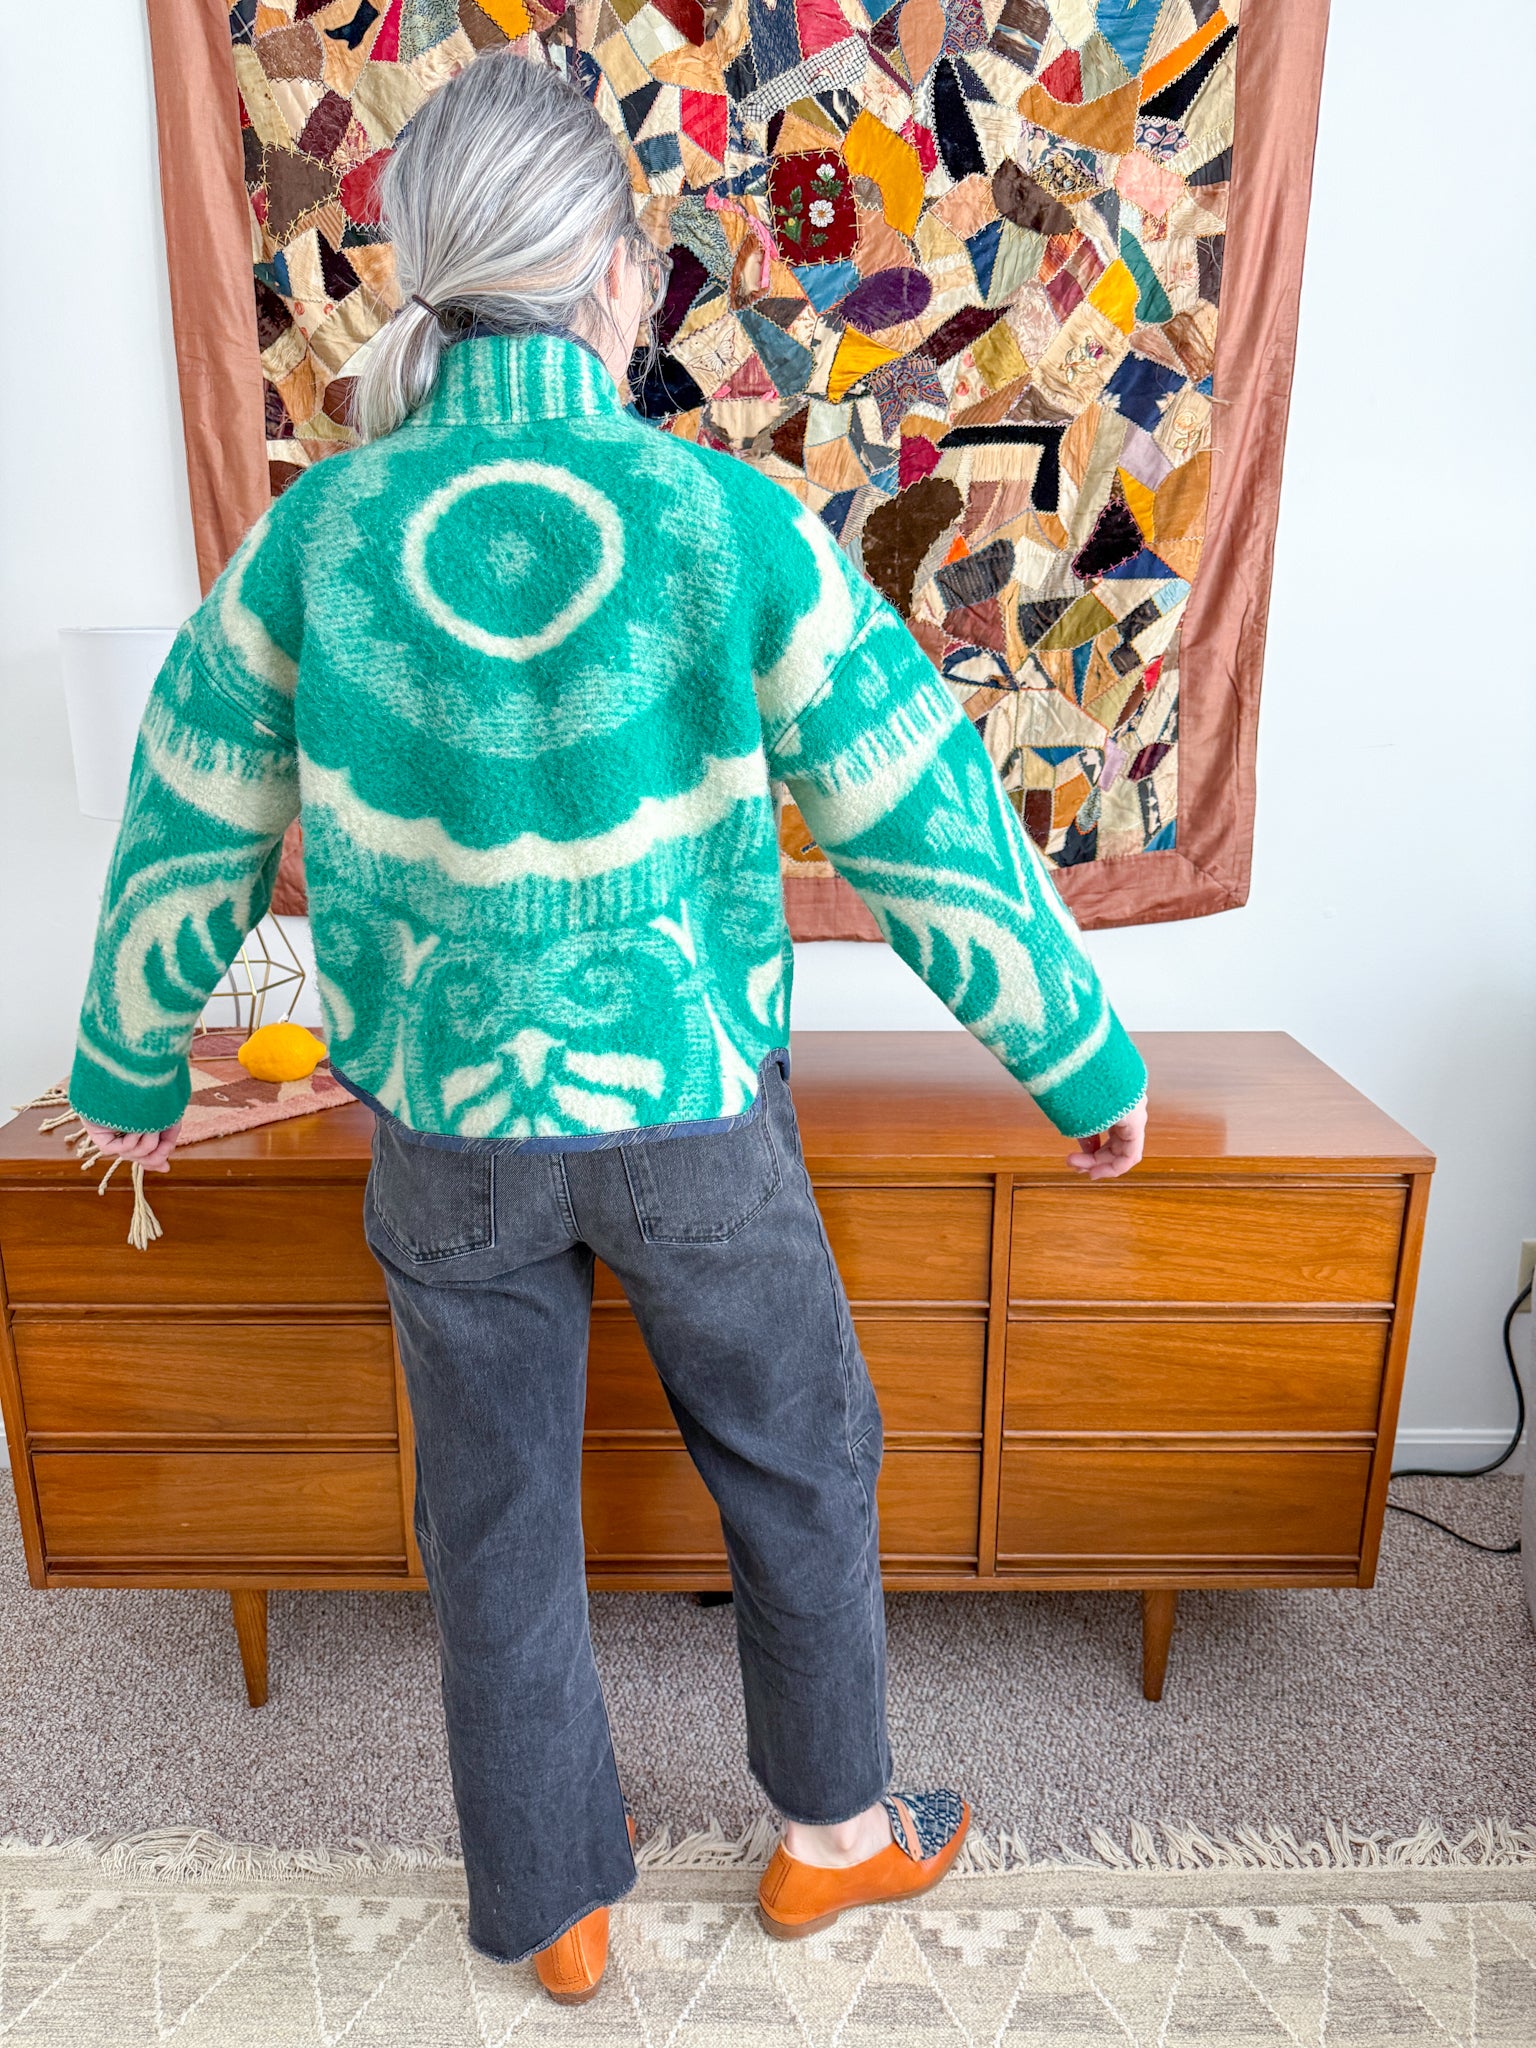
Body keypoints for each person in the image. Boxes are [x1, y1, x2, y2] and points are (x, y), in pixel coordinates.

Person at [69, 50, 1148, 2004]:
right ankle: (833, 1840)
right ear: (613, 275)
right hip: (692, 1112)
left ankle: (553, 1899)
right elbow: (917, 804)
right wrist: (1078, 1057)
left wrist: (132, 1069)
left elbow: (188, 804)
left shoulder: (319, 535)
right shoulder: (726, 520)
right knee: (801, 1459)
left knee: (490, 1514)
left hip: (446, 1131)